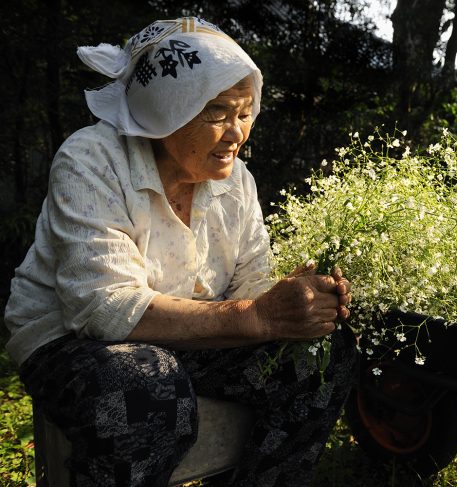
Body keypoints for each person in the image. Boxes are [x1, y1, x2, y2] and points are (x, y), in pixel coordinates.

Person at [4, 17, 357, 487]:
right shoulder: (91, 159)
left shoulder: (237, 183)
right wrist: (258, 316)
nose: (237, 132)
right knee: (149, 386)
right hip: (69, 338)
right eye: (217, 113)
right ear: (166, 111)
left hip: (187, 333)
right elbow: (102, 309)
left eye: (245, 112)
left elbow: (252, 284)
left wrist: (295, 303)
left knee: (322, 356)